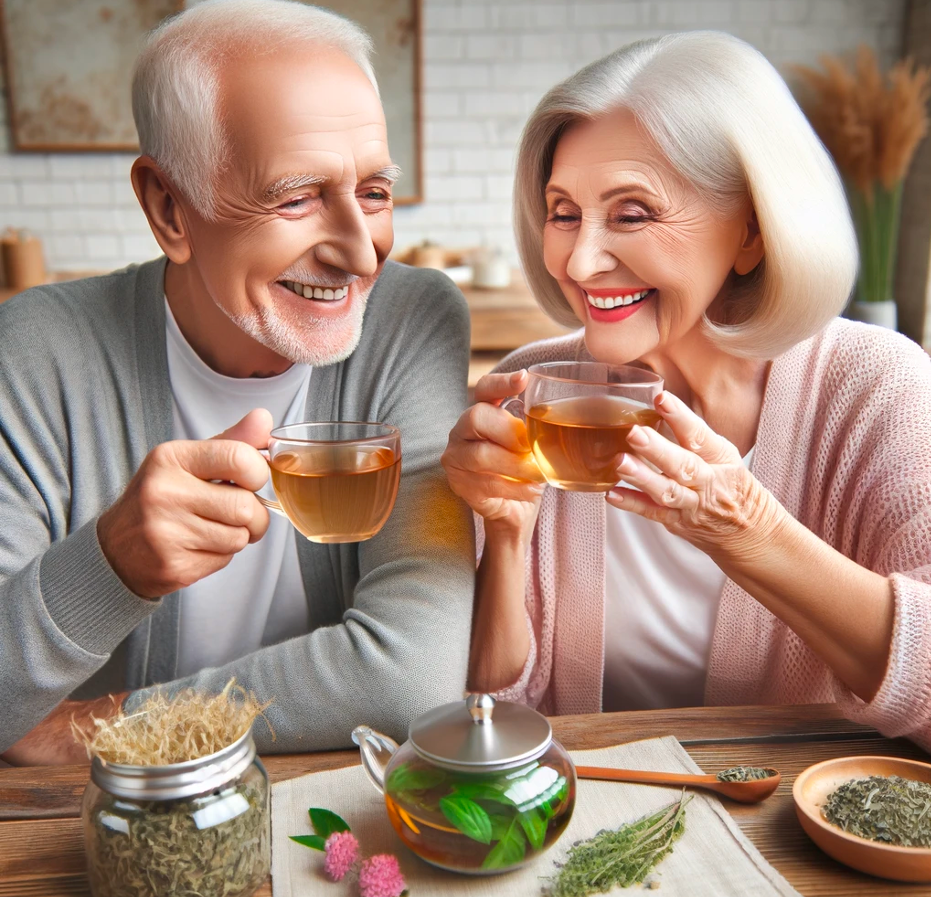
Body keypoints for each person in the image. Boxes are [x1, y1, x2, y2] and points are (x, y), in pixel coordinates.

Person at [0, 0, 474, 764]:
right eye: (296, 197)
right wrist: (109, 565)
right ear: (168, 209)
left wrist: (106, 728)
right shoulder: (35, 350)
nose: (360, 254)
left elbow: (408, 677)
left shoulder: (412, 319)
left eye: (375, 192)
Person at [443, 31, 931, 750]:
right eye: (563, 211)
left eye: (632, 213)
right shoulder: (531, 390)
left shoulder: (875, 387)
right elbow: (491, 716)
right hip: (590, 821)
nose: (579, 259)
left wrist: (748, 532)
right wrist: (506, 536)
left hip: (791, 834)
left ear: (750, 232)